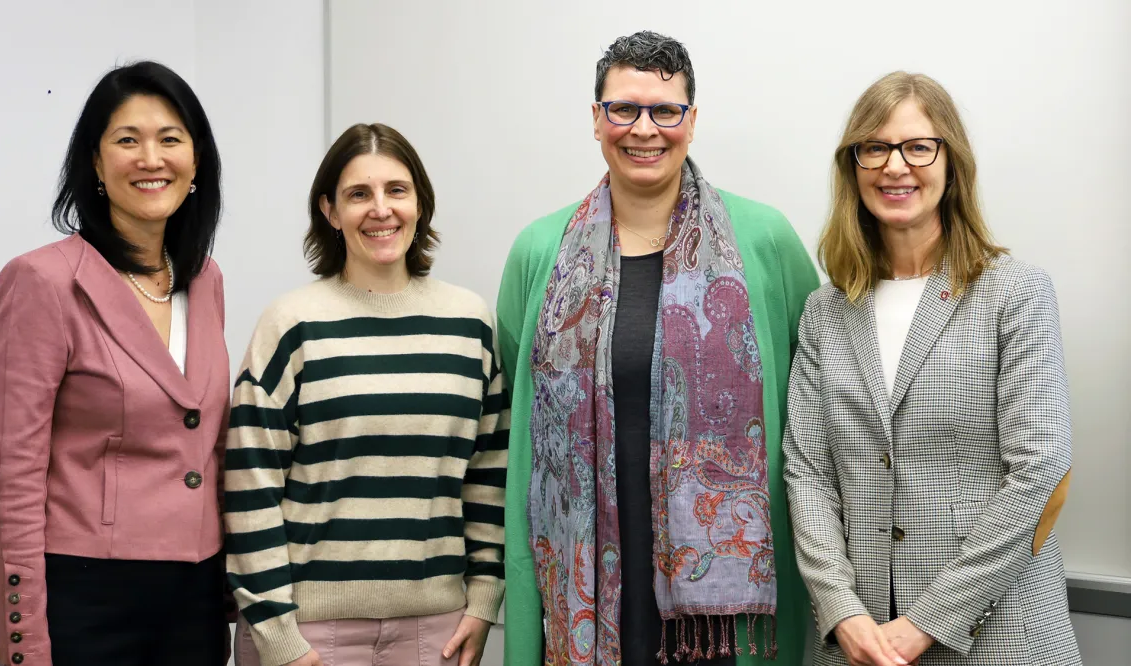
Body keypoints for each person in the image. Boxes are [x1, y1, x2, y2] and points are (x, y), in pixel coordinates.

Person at [497, 31, 819, 666]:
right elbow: (520, 392)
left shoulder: (765, 240)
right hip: (584, 572)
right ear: (597, 119)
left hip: (726, 605)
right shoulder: (540, 251)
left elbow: (810, 391)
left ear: (691, 122)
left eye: (665, 111)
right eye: (624, 108)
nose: (644, 129)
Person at [782, 71, 1082, 666]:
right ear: (853, 167)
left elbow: (1040, 469)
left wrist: (929, 620)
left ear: (952, 164)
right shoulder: (823, 312)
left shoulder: (1015, 293)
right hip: (860, 641)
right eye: (875, 147)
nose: (895, 166)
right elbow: (807, 472)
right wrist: (841, 611)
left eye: (918, 147)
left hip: (997, 631)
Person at [224, 122, 509, 666]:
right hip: (307, 632)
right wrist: (280, 638)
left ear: (420, 204)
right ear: (330, 211)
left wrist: (483, 601)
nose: (381, 209)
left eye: (396, 190)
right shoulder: (291, 324)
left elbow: (490, 475)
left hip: (437, 630)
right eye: (359, 194)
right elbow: (249, 486)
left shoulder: (470, 324)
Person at [0, 61, 231, 666]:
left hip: (196, 599)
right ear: (94, 162)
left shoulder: (204, 278)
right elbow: (12, 476)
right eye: (127, 140)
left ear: (196, 161)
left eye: (170, 139)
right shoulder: (42, 281)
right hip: (87, 601)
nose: (151, 158)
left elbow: (208, 442)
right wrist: (24, 640)